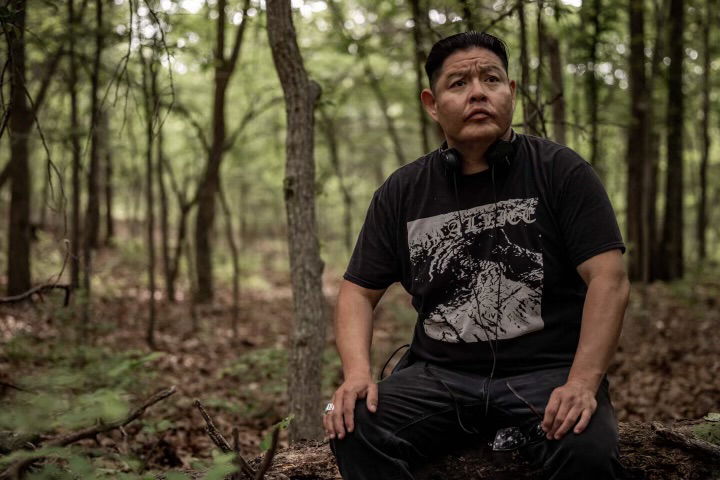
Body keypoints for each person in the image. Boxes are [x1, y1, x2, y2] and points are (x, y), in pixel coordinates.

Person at [323, 31, 630, 480]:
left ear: (512, 92)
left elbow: (610, 280)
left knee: (586, 450)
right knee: (353, 425)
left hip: (547, 371)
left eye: (491, 78)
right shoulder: (402, 191)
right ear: (432, 103)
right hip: (438, 375)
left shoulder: (562, 171)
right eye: (459, 83)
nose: (478, 92)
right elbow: (357, 291)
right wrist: (356, 374)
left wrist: (583, 382)